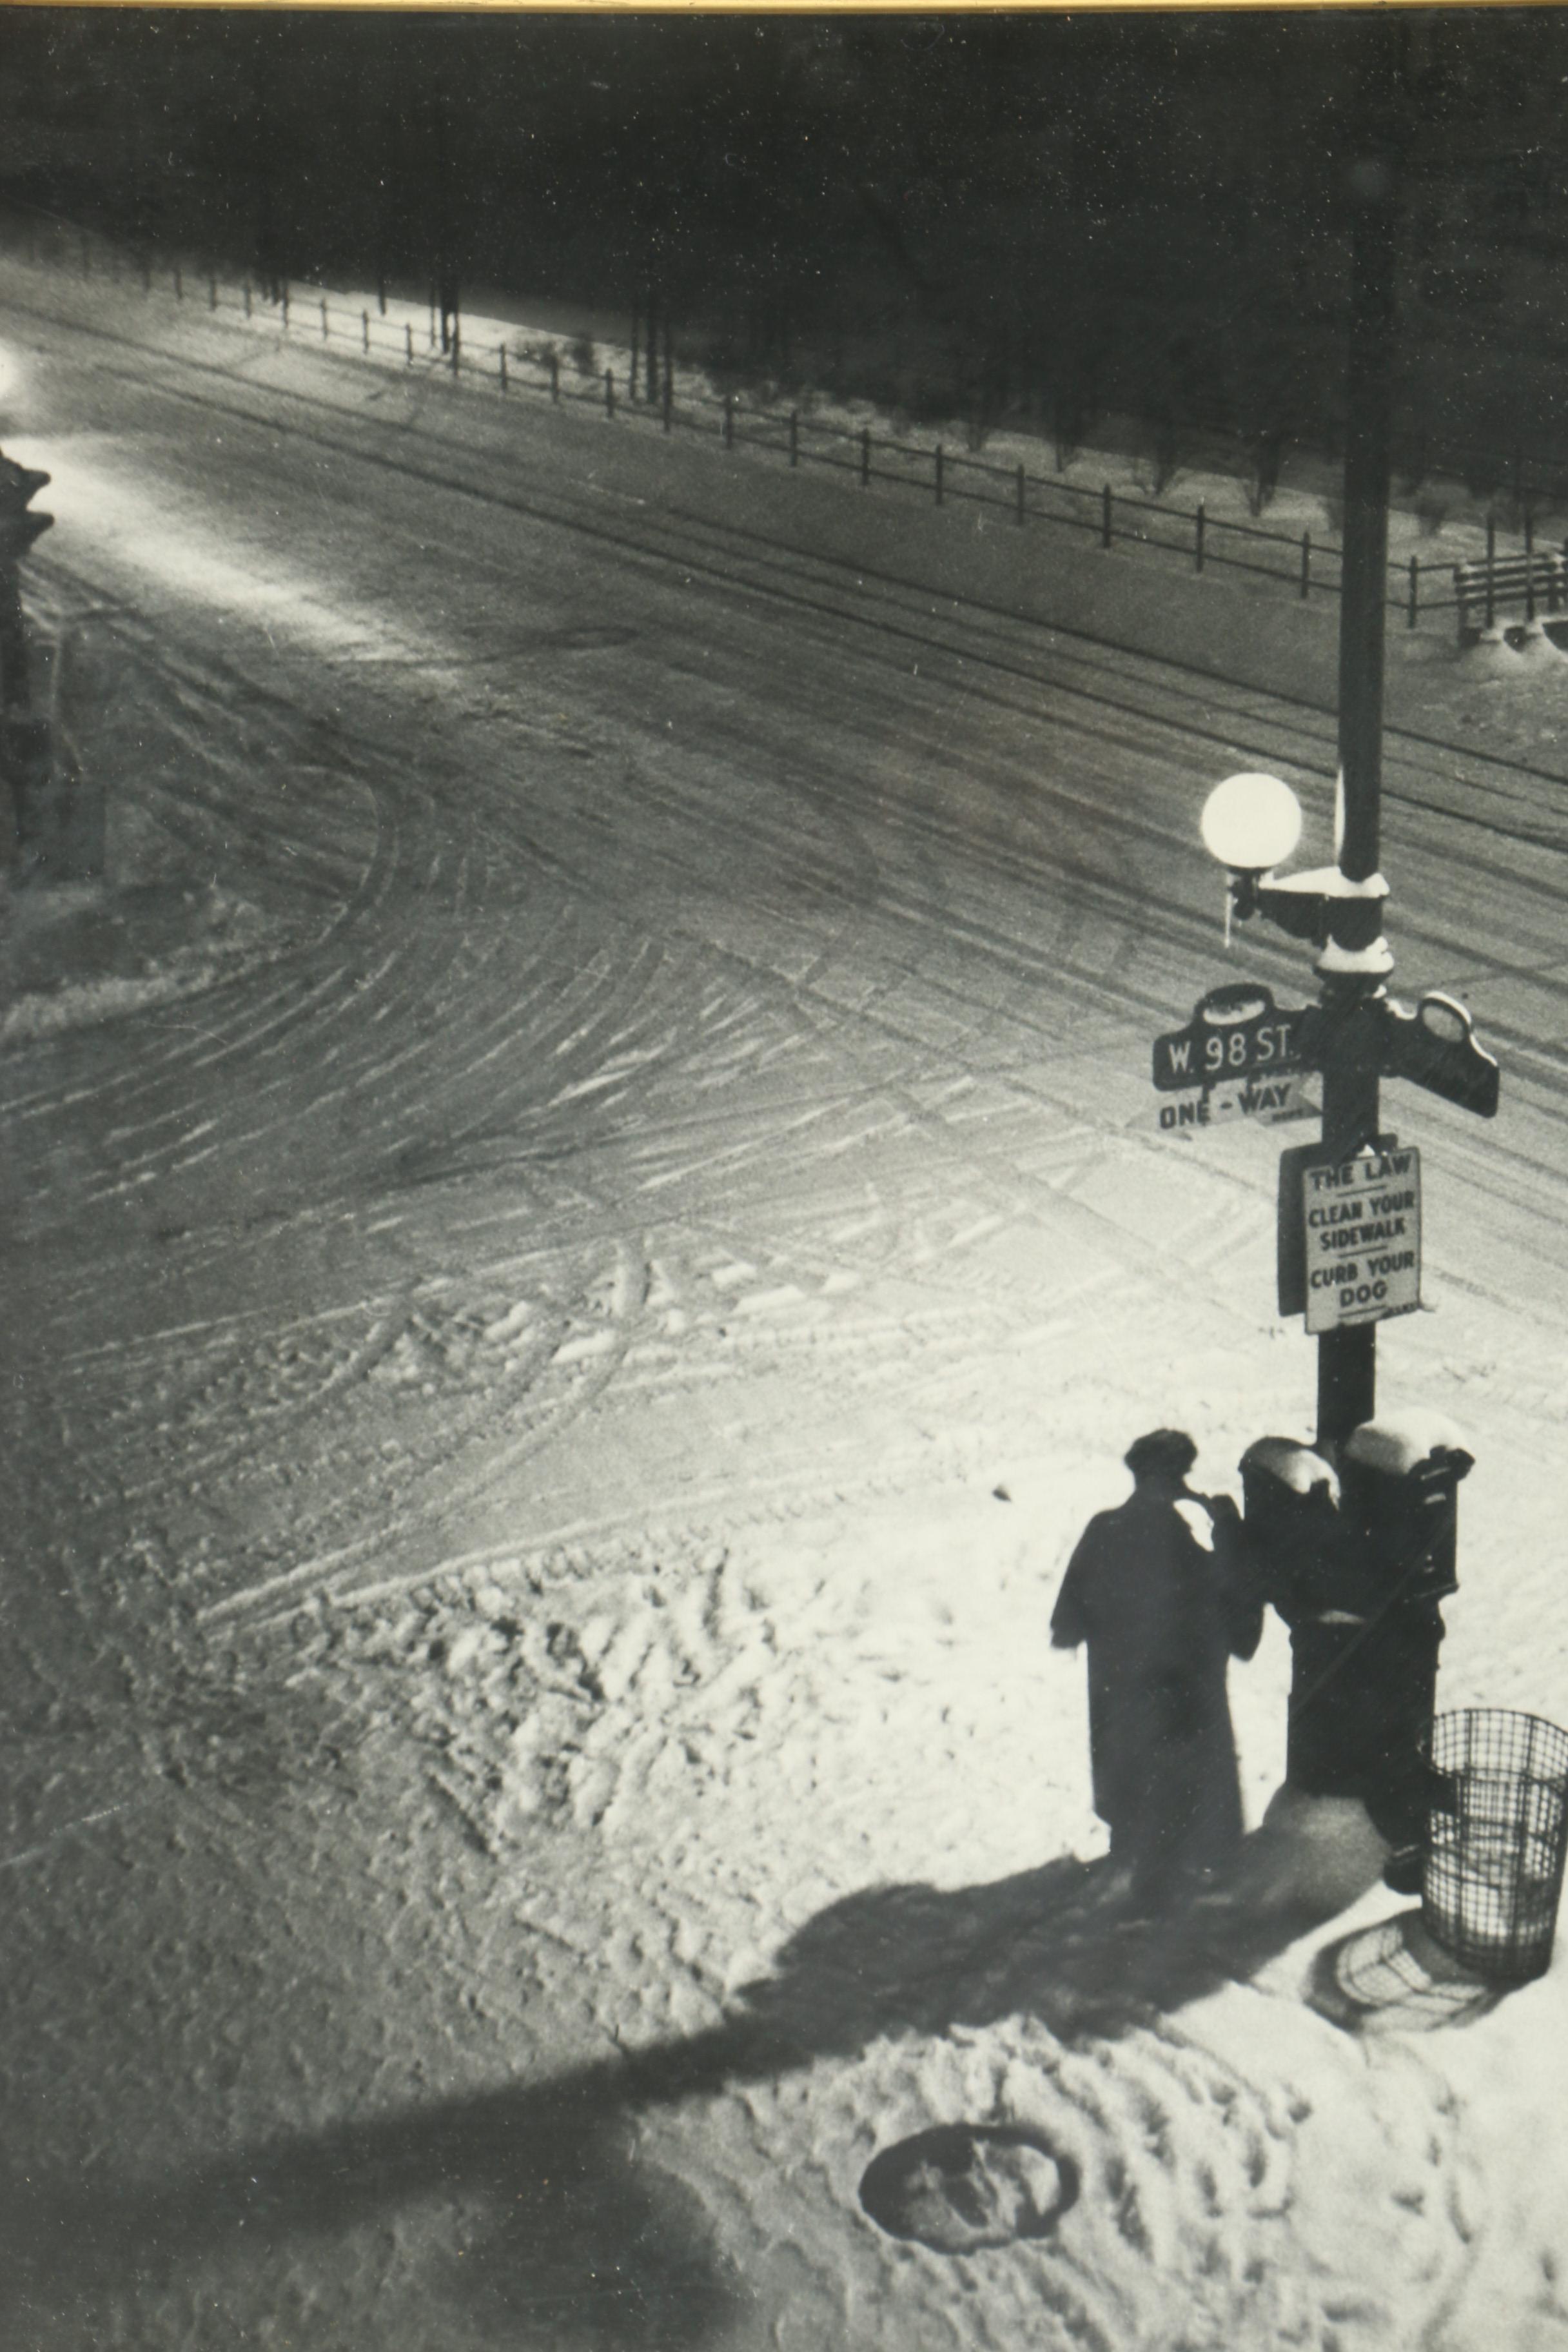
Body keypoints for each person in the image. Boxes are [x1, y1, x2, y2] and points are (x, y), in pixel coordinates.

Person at [1052, 1429, 1262, 1905]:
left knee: (1130, 1774)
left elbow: (1068, 1617)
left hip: (1120, 1692)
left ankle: (1132, 1851)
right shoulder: (1176, 1540)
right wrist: (1226, 1523)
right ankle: (1173, 1877)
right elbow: (1229, 1603)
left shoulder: (1104, 1528)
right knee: (1178, 1778)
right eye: (1177, 1475)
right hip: (1175, 1691)